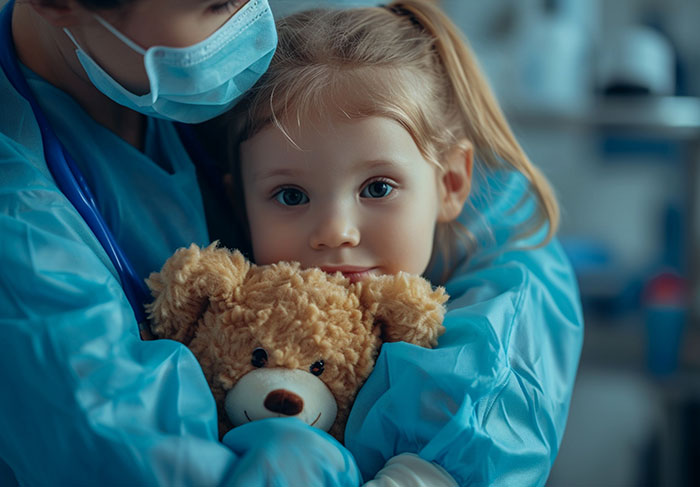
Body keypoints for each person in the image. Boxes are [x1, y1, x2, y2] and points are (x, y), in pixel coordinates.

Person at [211, 1, 584, 485]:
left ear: (450, 184)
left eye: (377, 188)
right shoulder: (225, 317)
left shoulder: (496, 305)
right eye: (291, 195)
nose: (335, 231)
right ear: (239, 204)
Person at [0, 0, 363, 484]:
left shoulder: (180, 64)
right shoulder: (20, 231)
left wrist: (453, 396)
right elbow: (136, 459)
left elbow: (482, 197)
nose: (256, 23)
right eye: (217, 4)